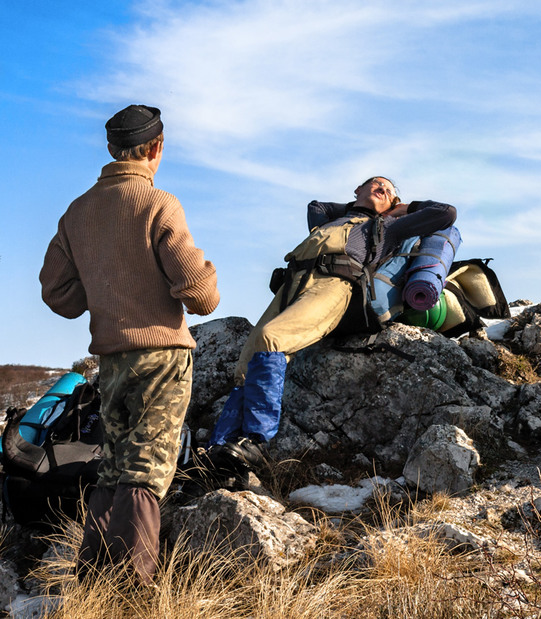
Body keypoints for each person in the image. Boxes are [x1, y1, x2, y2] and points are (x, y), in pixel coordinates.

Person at [39, 104, 220, 583]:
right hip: (161, 357)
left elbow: (58, 294)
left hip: (111, 360)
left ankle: (93, 583)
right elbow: (201, 296)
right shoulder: (159, 203)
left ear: (110, 148)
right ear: (156, 148)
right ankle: (131, 594)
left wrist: (102, 286)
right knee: (145, 472)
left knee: (113, 471)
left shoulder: (77, 212)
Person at [207, 176, 457, 472]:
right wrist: (359, 205)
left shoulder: (389, 227)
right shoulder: (332, 218)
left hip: (335, 284)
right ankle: (221, 449)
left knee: (272, 338)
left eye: (390, 191)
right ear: (357, 190)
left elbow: (446, 213)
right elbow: (317, 205)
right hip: (294, 283)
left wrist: (401, 208)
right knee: (246, 362)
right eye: (377, 184)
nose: (385, 190)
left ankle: (256, 443)